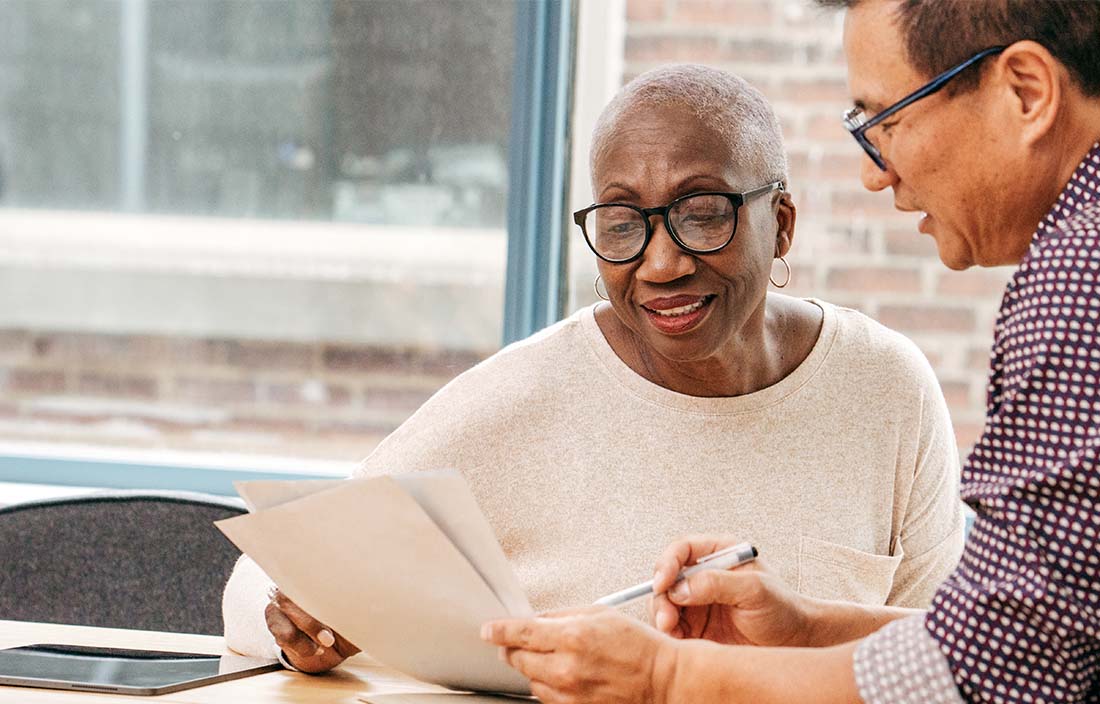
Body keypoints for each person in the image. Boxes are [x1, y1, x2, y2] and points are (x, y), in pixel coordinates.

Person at [222, 64, 965, 676]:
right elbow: (267, 575)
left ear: (782, 226)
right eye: (621, 223)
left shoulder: (887, 390)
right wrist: (300, 620)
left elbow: (951, 665)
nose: (662, 262)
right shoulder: (518, 399)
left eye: (703, 212)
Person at [482, 1, 1100, 702]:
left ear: (1026, 91)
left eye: (887, 120)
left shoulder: (1078, 282)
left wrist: (667, 677)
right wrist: (806, 630)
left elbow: (1008, 671)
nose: (877, 172)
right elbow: (1026, 635)